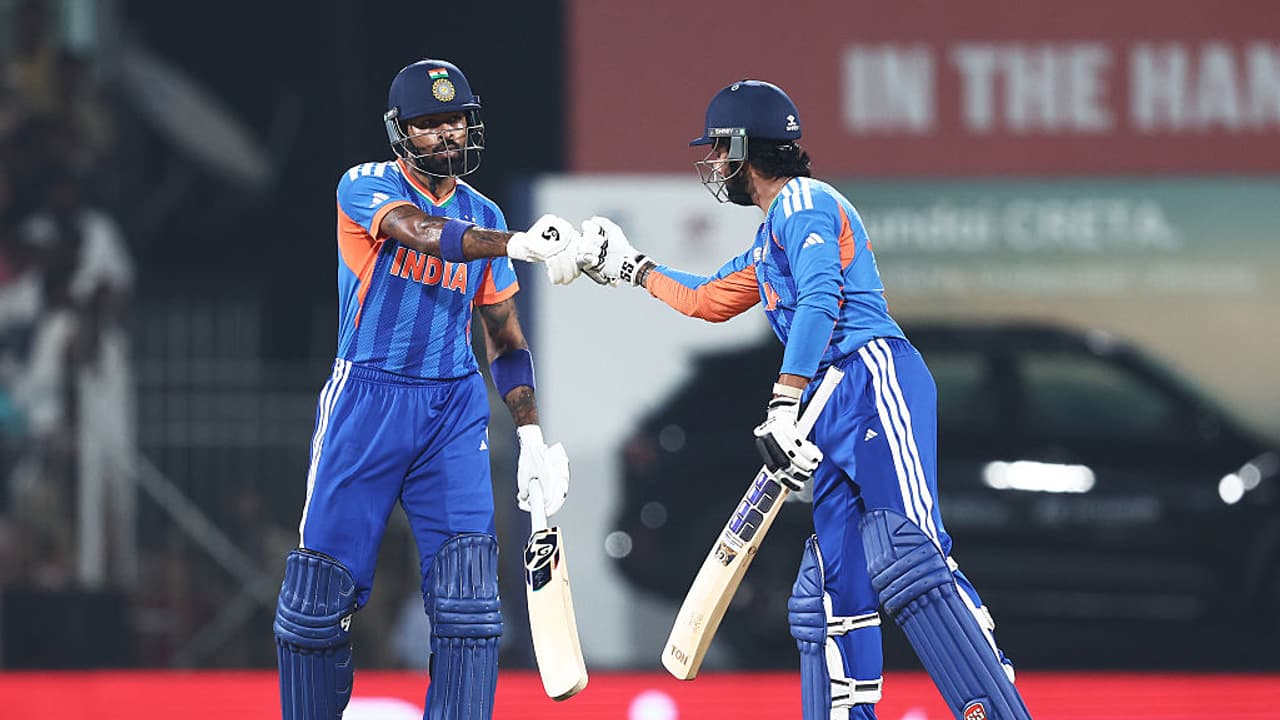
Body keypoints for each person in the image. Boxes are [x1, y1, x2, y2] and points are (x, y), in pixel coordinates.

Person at [568, 80, 1032, 720]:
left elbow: (821, 299)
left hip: (873, 377)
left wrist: (784, 402)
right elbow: (708, 299)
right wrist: (633, 268)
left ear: (745, 146)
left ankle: (994, 703)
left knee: (907, 551)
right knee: (830, 586)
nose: (715, 165)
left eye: (719, 149)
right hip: (831, 399)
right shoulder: (770, 238)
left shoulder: (805, 203)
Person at [272, 58, 598, 720]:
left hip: (453, 407)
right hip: (368, 398)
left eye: (456, 120)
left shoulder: (484, 212)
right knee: (318, 603)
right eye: (429, 123)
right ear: (401, 131)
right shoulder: (365, 185)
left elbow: (504, 336)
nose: (447, 134)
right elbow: (421, 233)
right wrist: (519, 243)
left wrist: (531, 436)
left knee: (470, 604)